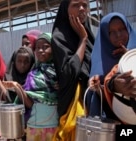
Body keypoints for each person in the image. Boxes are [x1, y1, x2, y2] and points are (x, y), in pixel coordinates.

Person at [0, 33, 58, 141]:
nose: (41, 50)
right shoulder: (33, 75)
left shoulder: (61, 73)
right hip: (34, 126)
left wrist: (63, 86)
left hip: (54, 126)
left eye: (45, 47)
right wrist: (16, 86)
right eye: (38, 48)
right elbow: (30, 103)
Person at [51, 0, 95, 140]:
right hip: (73, 103)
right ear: (66, 9)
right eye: (76, 5)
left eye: (85, 5)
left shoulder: (91, 36)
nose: (82, 9)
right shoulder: (59, 37)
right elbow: (69, 73)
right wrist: (82, 40)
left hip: (92, 100)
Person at [89, 12, 136, 124]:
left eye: (122, 29)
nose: (118, 35)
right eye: (112, 32)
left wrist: (130, 56)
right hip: (112, 121)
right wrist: (107, 86)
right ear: (105, 34)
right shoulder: (99, 61)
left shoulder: (133, 54)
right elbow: (94, 97)